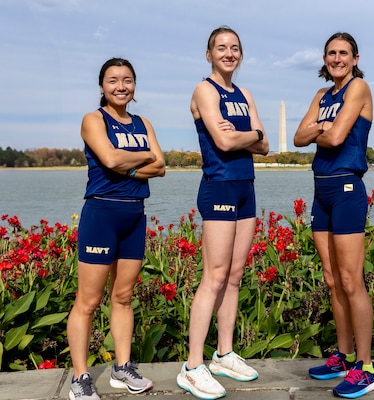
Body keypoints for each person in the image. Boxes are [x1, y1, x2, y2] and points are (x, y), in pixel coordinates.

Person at [176, 26, 269, 400]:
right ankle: (192, 365)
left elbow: (265, 145)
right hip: (218, 187)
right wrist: (250, 136)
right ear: (209, 54)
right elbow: (226, 140)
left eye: (234, 48)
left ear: (240, 54)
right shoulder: (204, 90)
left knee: (234, 274)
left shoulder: (244, 94)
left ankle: (224, 353)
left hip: (245, 186)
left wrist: (247, 137)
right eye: (221, 48)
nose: (228, 53)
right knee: (213, 277)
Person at [67, 57, 165, 400]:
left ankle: (122, 368)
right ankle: (80, 378)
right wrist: (139, 158)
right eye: (113, 80)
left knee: (123, 297)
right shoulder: (93, 119)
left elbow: (162, 165)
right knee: (88, 301)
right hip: (101, 215)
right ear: (102, 86)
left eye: (127, 80)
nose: (120, 86)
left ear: (134, 85)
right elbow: (109, 160)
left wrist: (127, 162)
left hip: (134, 216)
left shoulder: (142, 121)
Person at [293, 32, 374, 399]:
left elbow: (336, 137)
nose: (337, 58)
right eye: (331, 53)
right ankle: (343, 357)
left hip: (346, 186)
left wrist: (323, 130)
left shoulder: (358, 88)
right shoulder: (322, 95)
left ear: (355, 58)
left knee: (351, 280)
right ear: (325, 59)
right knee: (331, 279)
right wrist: (321, 128)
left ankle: (366, 366)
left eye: (343, 53)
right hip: (322, 190)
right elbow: (299, 137)